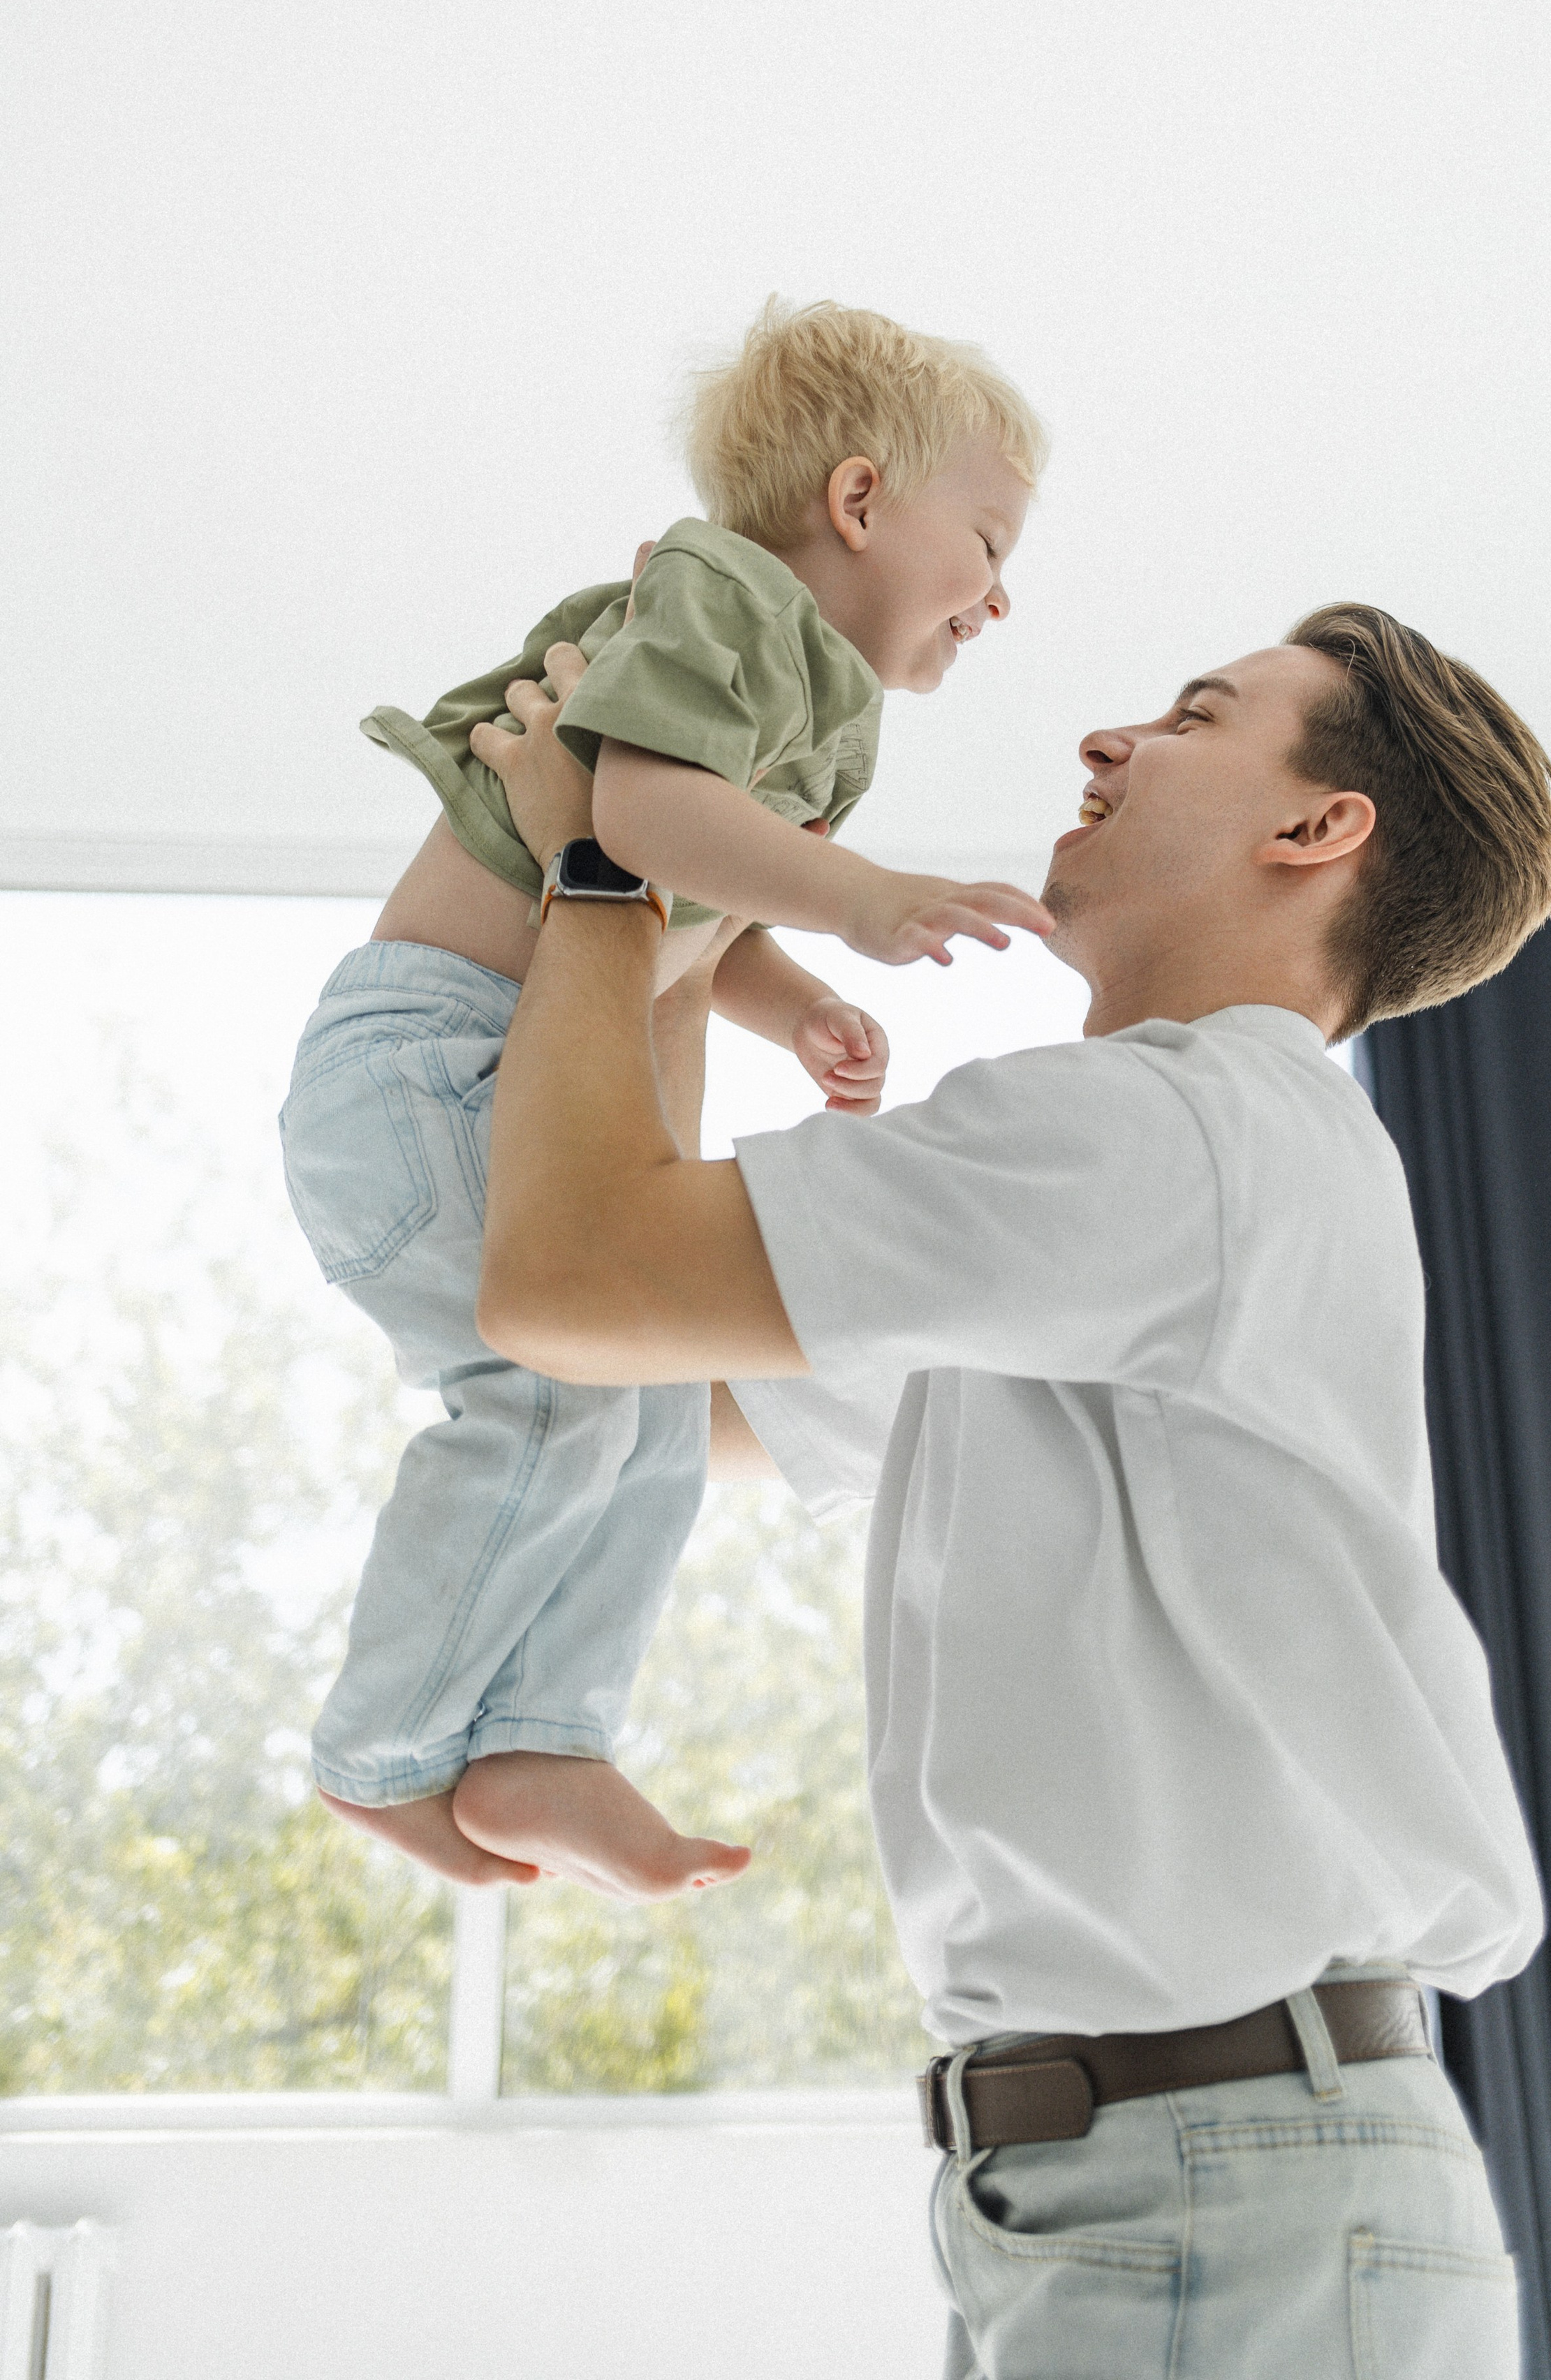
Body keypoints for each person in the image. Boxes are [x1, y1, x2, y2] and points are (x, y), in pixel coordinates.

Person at [468, 603, 1551, 2379]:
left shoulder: (1170, 1137)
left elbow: (571, 1278)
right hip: (1155, 2174)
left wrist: (606, 858)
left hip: (1211, 2174)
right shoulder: (1128, 1190)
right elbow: (637, 1362)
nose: (1107, 741)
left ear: (1316, 828)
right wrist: (655, 897)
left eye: (1196, 717)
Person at [278, 299, 1051, 1898]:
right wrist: (861, 900)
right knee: (550, 1397)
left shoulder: (814, 705)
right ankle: (383, 1745)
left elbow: (690, 906)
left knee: (644, 1419)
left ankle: (542, 1733)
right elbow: (630, 814)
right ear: (855, 505)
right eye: (985, 540)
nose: (998, 597)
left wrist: (797, 999)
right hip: (438, 1062)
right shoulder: (725, 595)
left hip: (512, 1055)